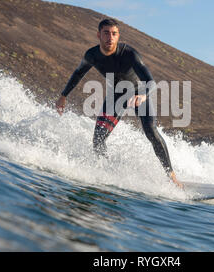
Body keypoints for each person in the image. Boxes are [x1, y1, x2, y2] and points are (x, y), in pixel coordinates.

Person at [56, 18, 183, 188]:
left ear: (118, 36)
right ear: (98, 35)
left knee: (150, 131)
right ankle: (108, 174)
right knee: (98, 139)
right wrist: (64, 95)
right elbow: (78, 73)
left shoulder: (129, 54)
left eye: (114, 33)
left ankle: (172, 176)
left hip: (139, 93)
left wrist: (143, 95)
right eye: (106, 33)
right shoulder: (91, 55)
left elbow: (150, 81)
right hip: (116, 96)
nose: (110, 37)